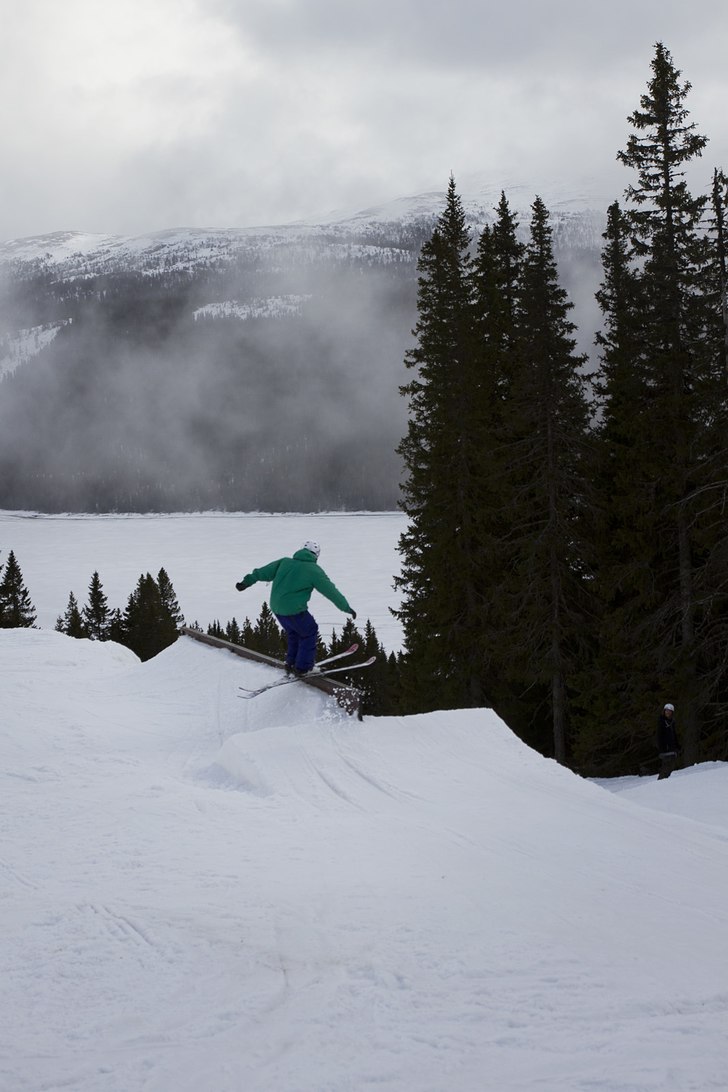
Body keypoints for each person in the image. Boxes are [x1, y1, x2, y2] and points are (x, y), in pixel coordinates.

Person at [235, 540, 356, 675]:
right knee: (309, 631)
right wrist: (346, 608)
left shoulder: (284, 562)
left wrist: (245, 582)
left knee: (294, 633)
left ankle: (291, 663)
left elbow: (262, 572)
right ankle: (303, 668)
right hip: (293, 610)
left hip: (277, 608)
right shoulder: (313, 570)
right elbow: (331, 591)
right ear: (316, 555)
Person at [656, 702, 679, 780]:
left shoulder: (672, 722)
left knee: (671, 767)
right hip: (665, 749)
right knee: (666, 767)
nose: (668, 712)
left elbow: (674, 735)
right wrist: (661, 748)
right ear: (664, 711)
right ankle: (661, 781)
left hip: (672, 749)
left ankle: (666, 781)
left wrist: (677, 746)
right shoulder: (661, 721)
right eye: (666, 711)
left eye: (669, 711)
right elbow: (659, 736)